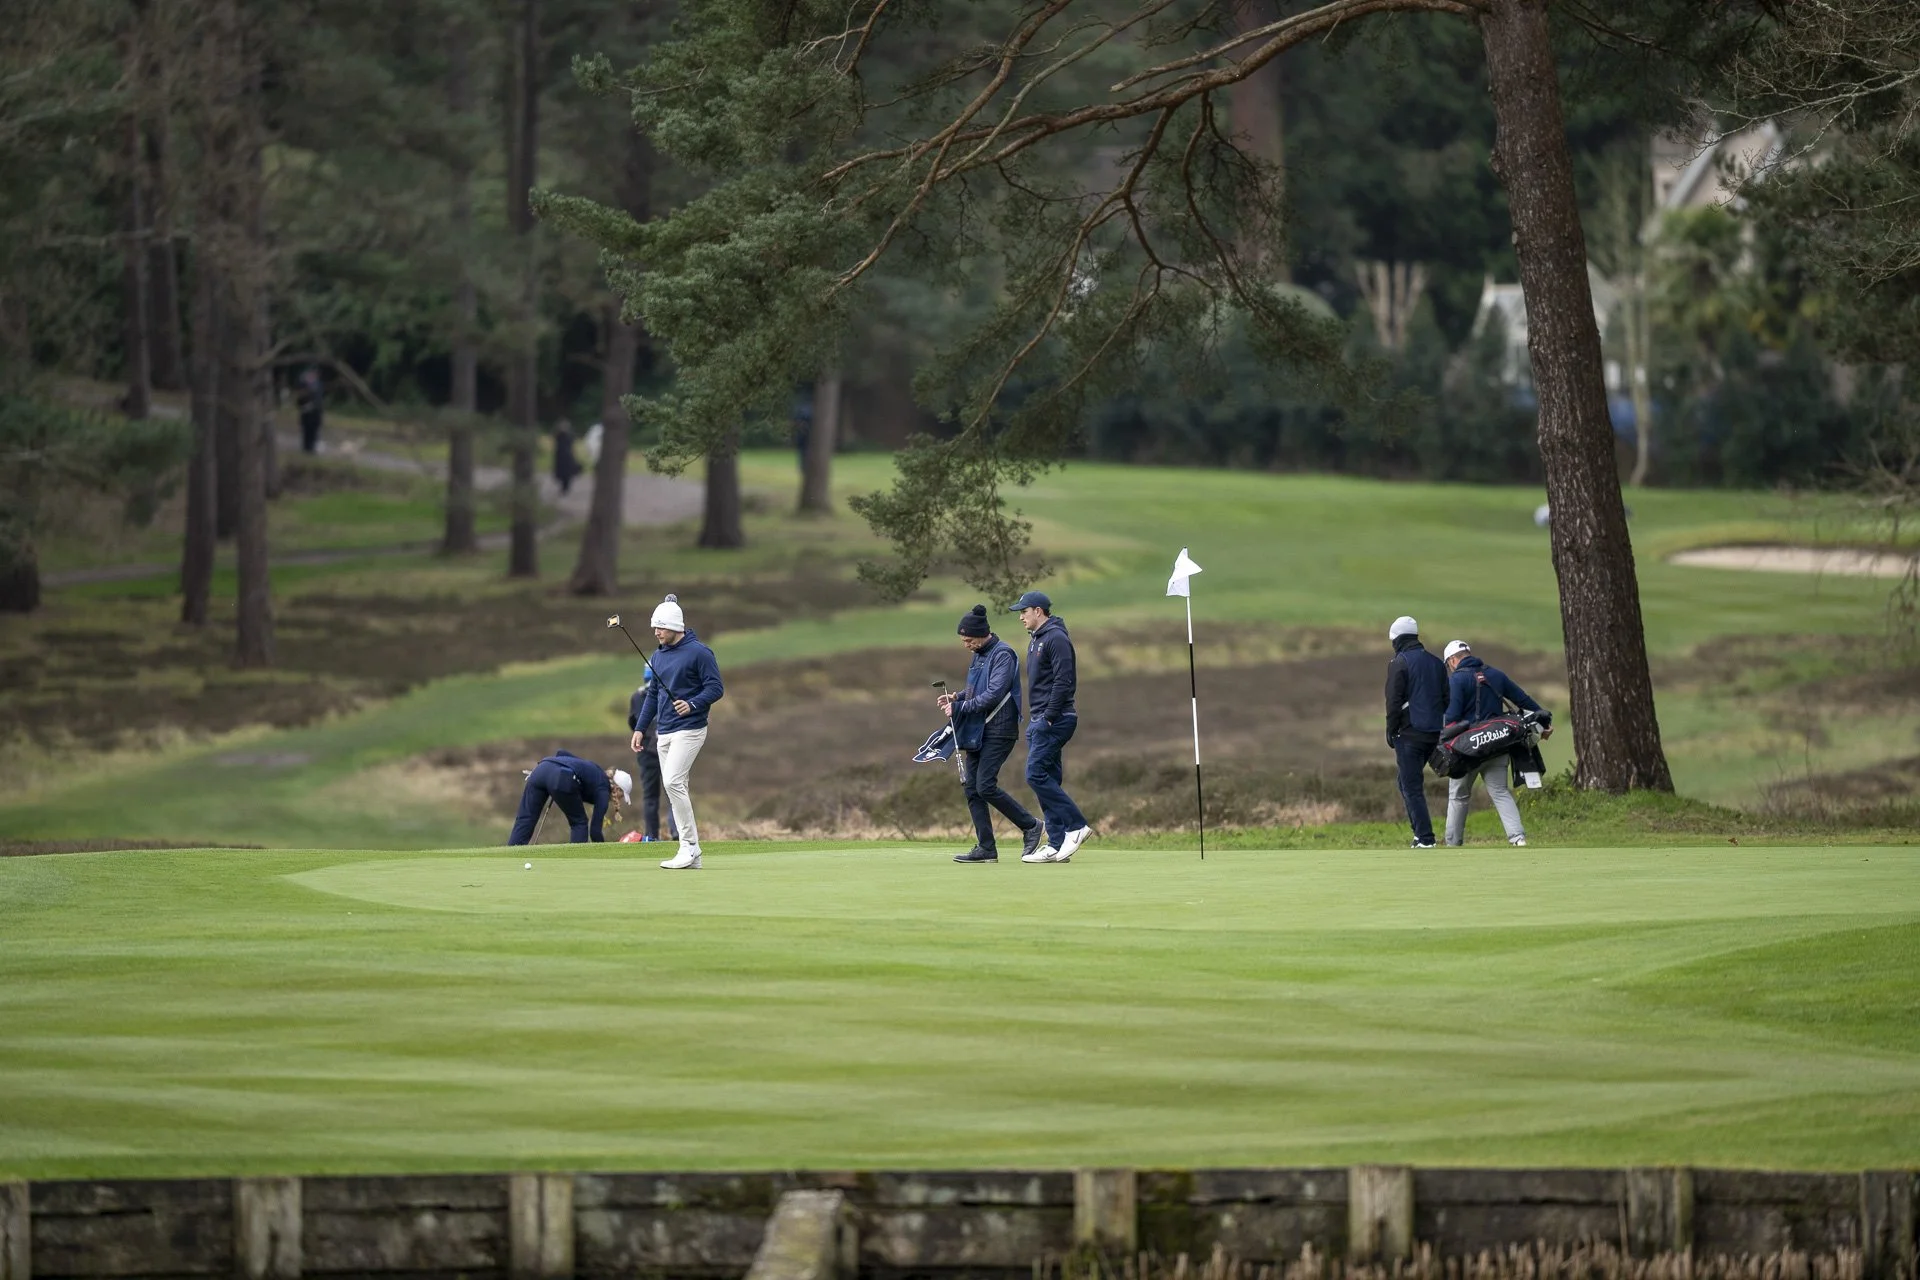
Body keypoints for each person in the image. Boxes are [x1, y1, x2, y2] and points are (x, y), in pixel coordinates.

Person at [939, 605, 1043, 865]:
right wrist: (957, 696)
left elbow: (994, 694)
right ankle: (986, 848)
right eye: (963, 640)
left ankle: (1031, 826)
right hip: (978, 730)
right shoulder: (980, 653)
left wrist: (959, 707)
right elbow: (975, 691)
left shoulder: (1003, 654)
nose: (966, 645)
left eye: (968, 640)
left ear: (981, 634)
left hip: (999, 730)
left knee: (985, 785)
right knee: (972, 789)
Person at [630, 594, 724, 869]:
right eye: (654, 628)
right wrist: (640, 728)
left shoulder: (700, 653)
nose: (655, 632)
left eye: (659, 627)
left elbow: (716, 688)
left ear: (674, 627)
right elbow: (653, 695)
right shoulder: (658, 657)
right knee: (675, 787)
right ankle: (692, 852)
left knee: (671, 782)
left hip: (690, 729)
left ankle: (689, 847)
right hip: (664, 732)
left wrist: (693, 703)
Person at [1440, 640, 1548, 848]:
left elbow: (1451, 718)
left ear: (1453, 660)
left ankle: (1453, 844)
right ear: (1468, 653)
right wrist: (1545, 721)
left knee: (1458, 796)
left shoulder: (1456, 680)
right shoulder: (1495, 675)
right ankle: (1518, 838)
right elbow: (1524, 700)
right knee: (1500, 792)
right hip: (1498, 745)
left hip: (1467, 751)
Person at [1010, 590, 1091, 863]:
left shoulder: (1055, 638)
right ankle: (1056, 844)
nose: (1020, 617)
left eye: (1024, 611)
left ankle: (1077, 826)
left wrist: (1048, 717)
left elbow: (1064, 680)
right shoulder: (1036, 640)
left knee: (1034, 774)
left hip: (1054, 719)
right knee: (1049, 778)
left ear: (1038, 611)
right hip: (1040, 719)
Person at [1384, 615, 1449, 850]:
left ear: (1398, 640)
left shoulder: (1399, 662)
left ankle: (1426, 839)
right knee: (1405, 781)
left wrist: (1391, 731)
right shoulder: (1435, 663)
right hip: (1432, 733)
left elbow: (1393, 702)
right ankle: (1418, 835)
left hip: (1409, 734)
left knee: (1411, 786)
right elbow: (1446, 699)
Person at [508, 749, 631, 845]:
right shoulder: (603, 790)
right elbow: (595, 831)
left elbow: (561, 752)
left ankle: (511, 857)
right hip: (560, 777)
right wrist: (603, 853)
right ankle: (577, 863)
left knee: (525, 818)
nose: (620, 798)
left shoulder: (596, 771)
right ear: (617, 788)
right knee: (579, 822)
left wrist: (553, 774)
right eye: (622, 794)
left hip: (541, 769)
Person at [626, 664, 678, 843]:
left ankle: (652, 837)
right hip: (670, 750)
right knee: (674, 792)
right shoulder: (670, 693)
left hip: (646, 752)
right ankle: (677, 833)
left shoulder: (637, 697)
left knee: (650, 797)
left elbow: (633, 723)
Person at [295, 367, 325, 455]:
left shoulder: (318, 385)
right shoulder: (303, 384)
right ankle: (306, 448)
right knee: (306, 431)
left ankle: (312, 448)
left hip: (315, 413)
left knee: (314, 431)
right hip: (305, 412)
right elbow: (299, 399)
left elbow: (319, 399)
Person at [552, 422, 581, 495]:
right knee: (564, 474)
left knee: (566, 474)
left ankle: (565, 488)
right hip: (563, 457)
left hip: (566, 457)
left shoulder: (566, 437)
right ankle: (564, 488)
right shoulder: (560, 437)